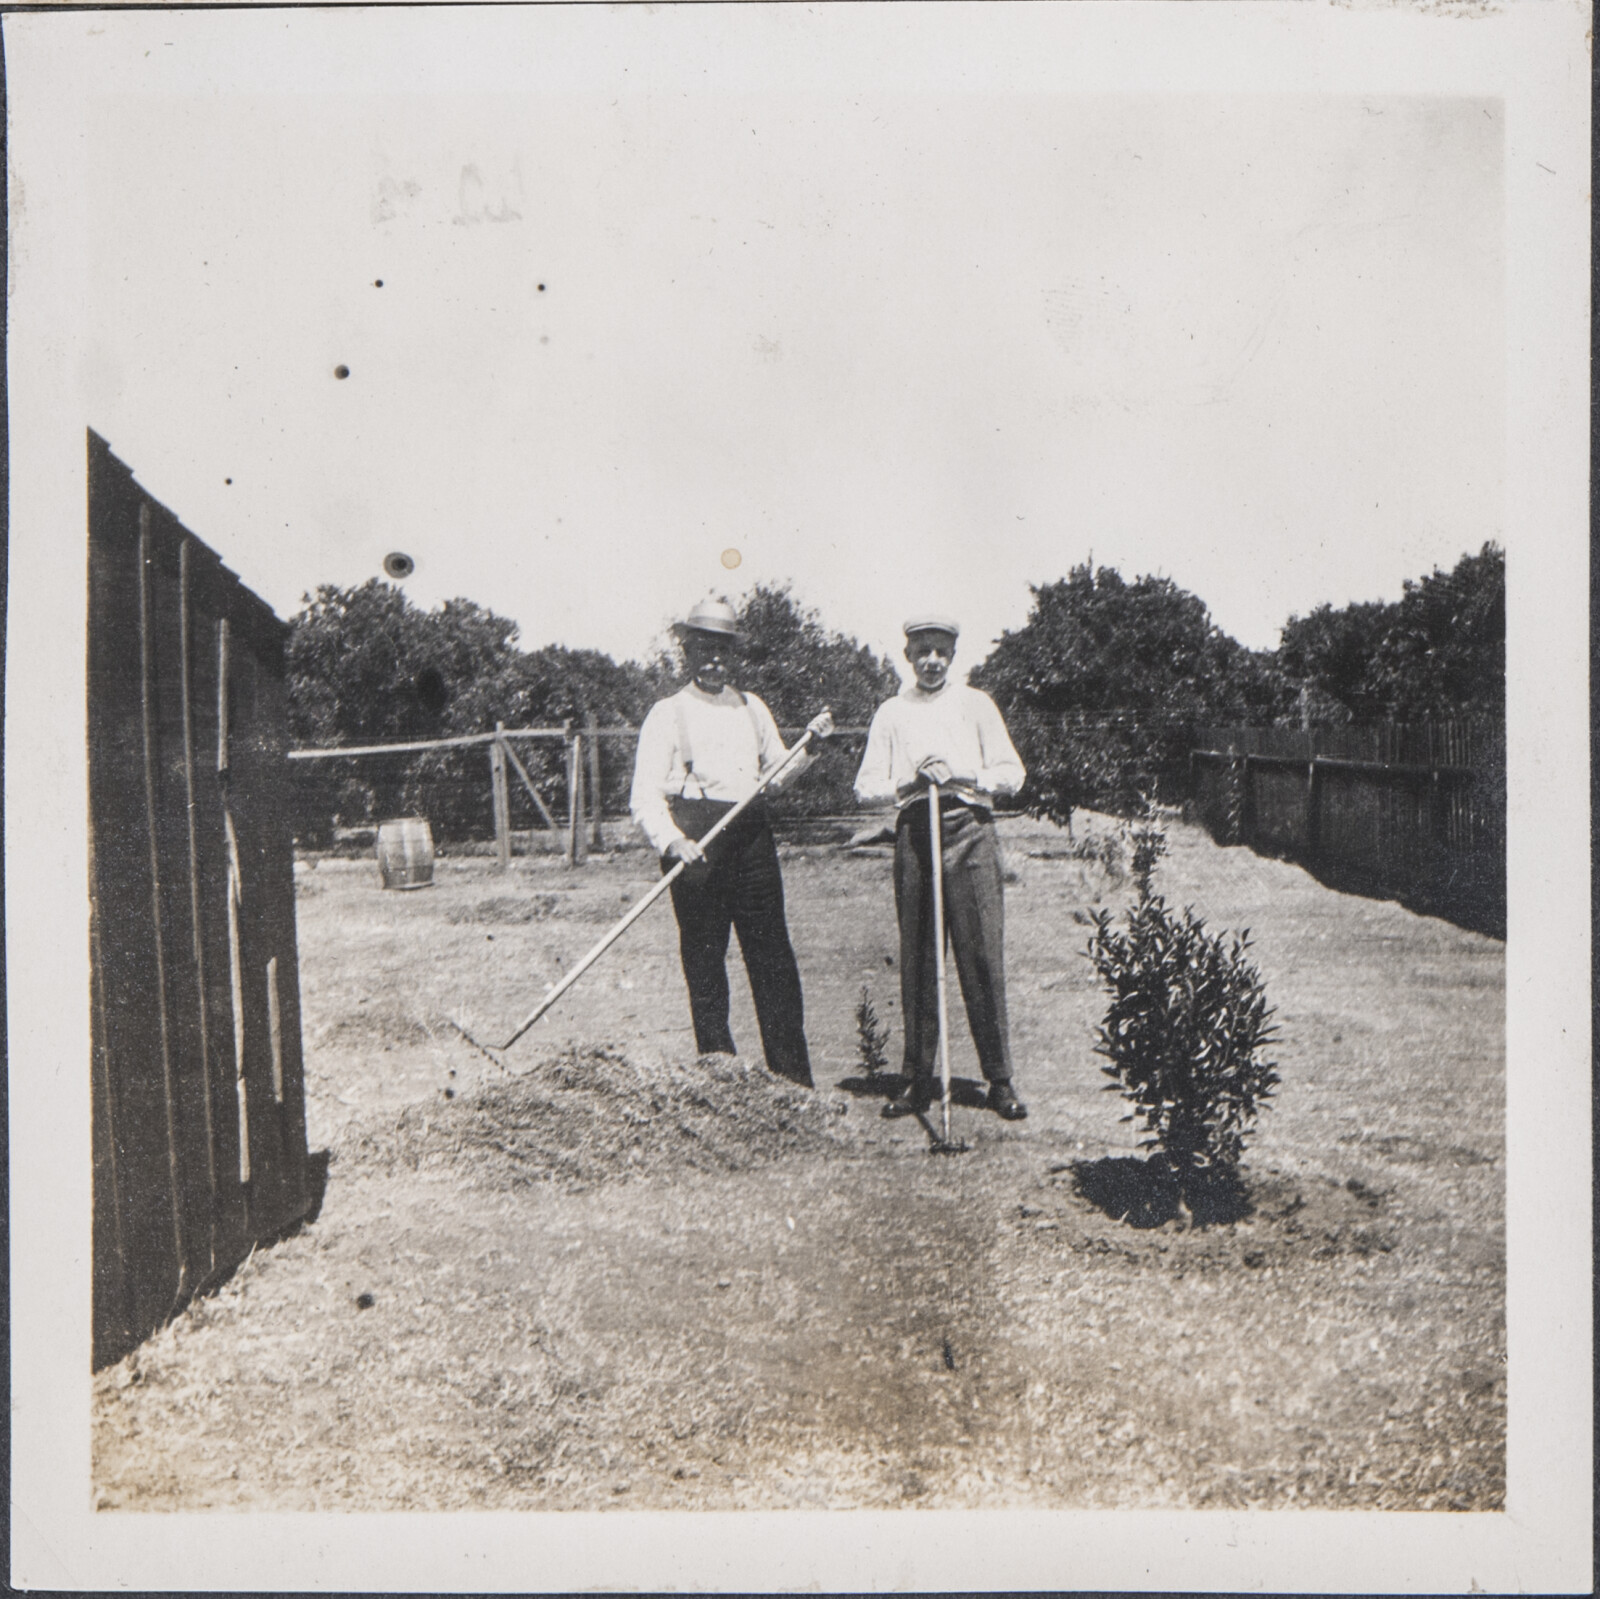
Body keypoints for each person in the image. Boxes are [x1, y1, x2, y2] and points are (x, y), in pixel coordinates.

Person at [630, 597, 834, 1087]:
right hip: (696, 842)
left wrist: (810, 747)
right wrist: (672, 841)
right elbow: (644, 796)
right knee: (704, 961)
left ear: (733, 653)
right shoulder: (667, 713)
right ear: (688, 649)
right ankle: (720, 1078)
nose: (714, 658)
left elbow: (776, 776)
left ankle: (792, 1081)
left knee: (773, 959)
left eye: (722, 649)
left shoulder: (751, 707)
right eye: (704, 647)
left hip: (751, 839)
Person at [854, 616, 1029, 1120]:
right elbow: (865, 785)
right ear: (907, 656)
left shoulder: (976, 705)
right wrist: (909, 781)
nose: (932, 660)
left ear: (953, 655)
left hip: (970, 829)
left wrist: (960, 773)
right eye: (922, 651)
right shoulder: (891, 712)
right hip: (914, 832)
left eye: (941, 652)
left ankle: (1000, 1080)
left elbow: (1012, 774)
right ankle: (916, 1081)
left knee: (981, 957)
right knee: (920, 958)